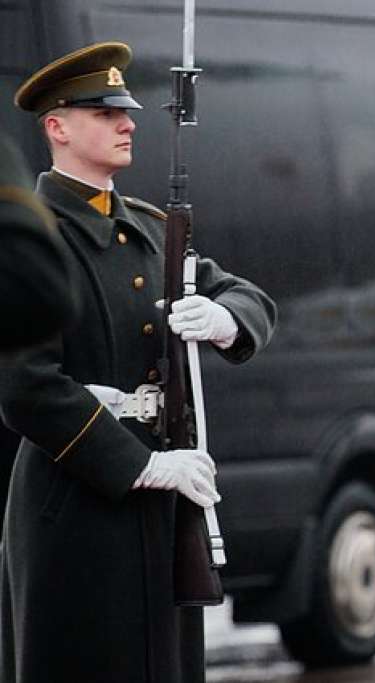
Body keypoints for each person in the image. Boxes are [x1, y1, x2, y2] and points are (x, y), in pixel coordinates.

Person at [0, 42, 277, 683]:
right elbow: (24, 386)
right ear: (57, 127)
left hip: (162, 502)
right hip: (76, 499)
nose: (127, 123)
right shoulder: (29, 237)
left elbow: (251, 298)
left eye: (125, 110)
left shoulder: (152, 229)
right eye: (105, 113)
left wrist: (225, 317)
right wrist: (140, 465)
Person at [0, 133, 75, 349]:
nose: (129, 127)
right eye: (104, 117)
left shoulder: (148, 222)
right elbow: (37, 298)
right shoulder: (47, 222)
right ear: (57, 128)